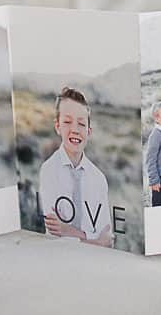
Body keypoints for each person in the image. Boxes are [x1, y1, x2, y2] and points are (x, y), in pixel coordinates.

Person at [39, 86, 112, 246]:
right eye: (67, 122)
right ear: (57, 126)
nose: (75, 130)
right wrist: (95, 240)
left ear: (89, 131)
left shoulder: (98, 178)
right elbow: (56, 233)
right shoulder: (49, 170)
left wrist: (69, 231)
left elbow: (108, 239)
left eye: (81, 124)